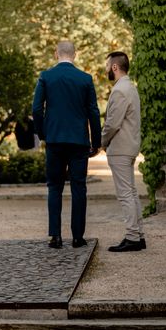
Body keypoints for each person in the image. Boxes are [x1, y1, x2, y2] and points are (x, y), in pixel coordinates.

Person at [32, 41, 101, 249]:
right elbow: (93, 112)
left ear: (56, 54)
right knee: (79, 187)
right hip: (79, 140)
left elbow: (36, 109)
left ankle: (55, 236)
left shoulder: (46, 76)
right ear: (75, 55)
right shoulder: (85, 79)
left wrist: (44, 133)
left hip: (54, 139)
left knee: (55, 187)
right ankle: (78, 237)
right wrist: (96, 142)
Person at [101, 51, 145, 252]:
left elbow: (112, 124)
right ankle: (138, 234)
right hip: (130, 146)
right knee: (132, 193)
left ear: (115, 67)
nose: (106, 69)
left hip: (120, 148)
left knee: (125, 194)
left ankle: (132, 237)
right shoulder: (131, 87)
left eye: (107, 66)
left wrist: (101, 142)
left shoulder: (120, 90)